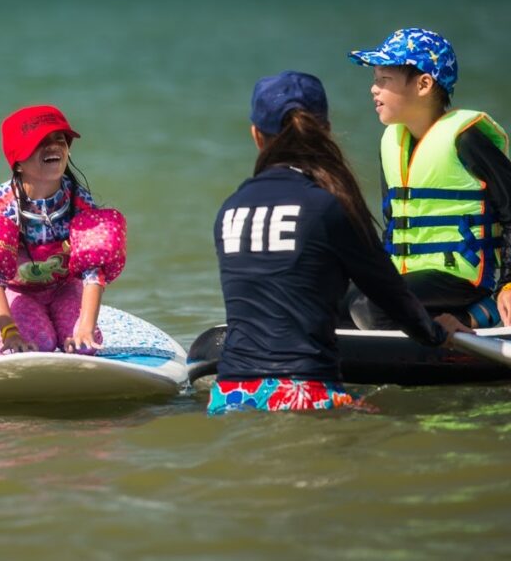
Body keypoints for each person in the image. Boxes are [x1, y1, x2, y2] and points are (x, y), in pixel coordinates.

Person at [210, 70, 469, 414]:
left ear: (257, 136)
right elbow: (389, 293)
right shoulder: (328, 206)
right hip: (305, 392)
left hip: (228, 392)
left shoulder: (230, 209)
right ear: (325, 132)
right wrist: (437, 334)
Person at [348, 28, 511, 329]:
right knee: (336, 301)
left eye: (384, 80)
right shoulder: (391, 144)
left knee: (370, 308)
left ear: (424, 84)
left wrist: (509, 283)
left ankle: (476, 317)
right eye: (375, 80)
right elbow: (394, 226)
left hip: (465, 279)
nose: (374, 89)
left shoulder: (467, 139)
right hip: (414, 278)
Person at [0, 104, 126, 355]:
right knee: (35, 346)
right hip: (20, 292)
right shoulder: (4, 203)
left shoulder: (78, 199)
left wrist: (86, 326)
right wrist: (10, 331)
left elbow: (94, 269)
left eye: (59, 138)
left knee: (84, 347)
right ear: (18, 163)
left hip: (66, 288)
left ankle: (68, 326)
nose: (53, 146)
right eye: (40, 142)